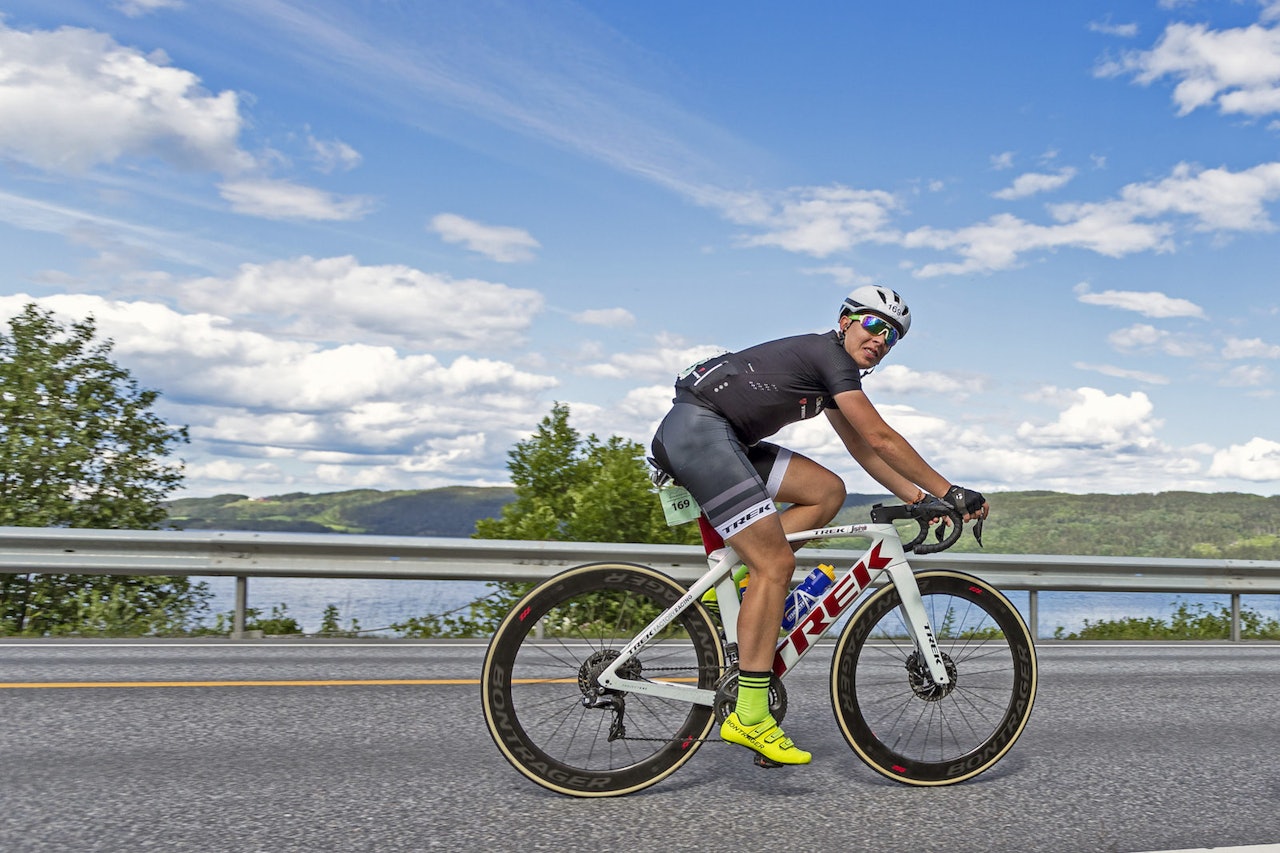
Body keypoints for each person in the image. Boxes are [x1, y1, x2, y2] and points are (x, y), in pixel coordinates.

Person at [649, 285, 989, 767]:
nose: (881, 339)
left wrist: (921, 498)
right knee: (777, 565)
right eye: (874, 324)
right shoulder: (829, 357)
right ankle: (748, 715)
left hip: (720, 435)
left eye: (891, 337)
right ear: (847, 320)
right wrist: (952, 491)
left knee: (827, 491)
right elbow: (881, 436)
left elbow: (863, 450)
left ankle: (737, 577)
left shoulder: (829, 372)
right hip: (701, 433)